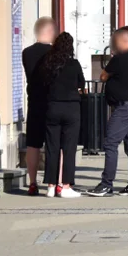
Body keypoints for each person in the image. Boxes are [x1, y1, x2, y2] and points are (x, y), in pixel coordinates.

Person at [85, 27, 128, 197]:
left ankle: (106, 184)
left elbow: (104, 76)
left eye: (116, 42)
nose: (114, 46)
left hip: (123, 108)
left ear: (124, 41)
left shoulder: (120, 58)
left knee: (110, 143)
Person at [38, 32, 85, 198]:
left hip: (52, 107)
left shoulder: (48, 63)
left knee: (52, 147)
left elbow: (42, 84)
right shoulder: (74, 64)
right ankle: (65, 186)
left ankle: (51, 186)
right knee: (69, 148)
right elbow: (81, 83)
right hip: (71, 108)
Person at [21, 17, 56, 196]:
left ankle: (32, 182)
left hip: (33, 101)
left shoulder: (26, 52)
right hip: (51, 101)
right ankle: (52, 183)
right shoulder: (54, 53)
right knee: (53, 143)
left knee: (33, 145)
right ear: (50, 32)